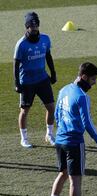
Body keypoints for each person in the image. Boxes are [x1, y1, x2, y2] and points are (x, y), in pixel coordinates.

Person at [49, 62, 97, 196]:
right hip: (74, 143)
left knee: (63, 174)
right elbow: (87, 123)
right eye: (93, 79)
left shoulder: (64, 89)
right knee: (75, 181)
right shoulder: (82, 96)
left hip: (59, 140)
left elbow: (56, 114)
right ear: (84, 77)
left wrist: (62, 130)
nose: (94, 83)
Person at [13, 11, 57, 148]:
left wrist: (53, 73)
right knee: (25, 110)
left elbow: (48, 56)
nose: (34, 28)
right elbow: (16, 64)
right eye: (31, 26)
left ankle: (49, 135)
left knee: (51, 107)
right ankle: (24, 138)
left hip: (42, 79)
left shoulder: (45, 39)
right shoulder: (21, 44)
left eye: (36, 25)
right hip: (27, 82)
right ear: (27, 27)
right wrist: (17, 83)